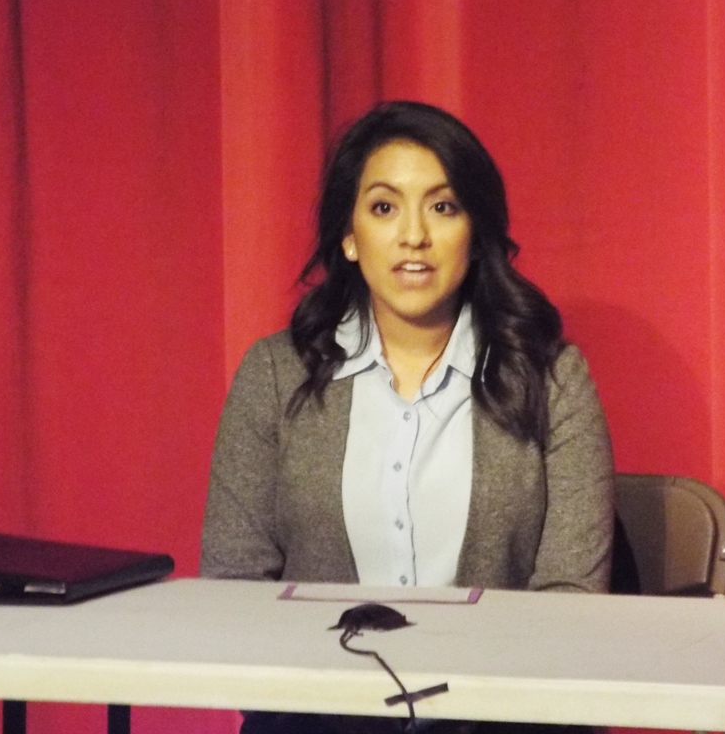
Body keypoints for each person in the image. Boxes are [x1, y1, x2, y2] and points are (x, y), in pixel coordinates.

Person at [200, 101, 614, 733]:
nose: (414, 235)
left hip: (498, 722)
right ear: (349, 235)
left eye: (443, 207)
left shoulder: (553, 378)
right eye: (384, 207)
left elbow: (572, 604)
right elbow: (233, 589)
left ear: (475, 233)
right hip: (320, 721)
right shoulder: (275, 375)